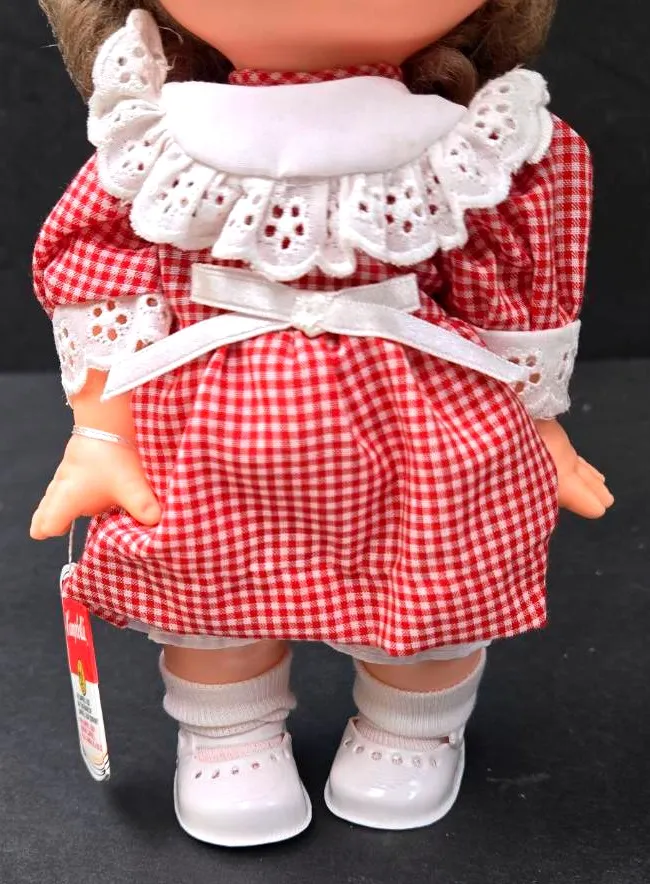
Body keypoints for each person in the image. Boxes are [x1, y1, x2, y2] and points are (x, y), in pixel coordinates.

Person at [31, 0, 613, 846]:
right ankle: (227, 733)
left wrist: (540, 423)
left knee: (434, 571)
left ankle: (413, 727)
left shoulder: (467, 145)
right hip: (211, 428)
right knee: (211, 585)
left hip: (420, 419)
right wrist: (100, 433)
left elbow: (510, 289)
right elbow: (102, 277)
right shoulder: (160, 137)